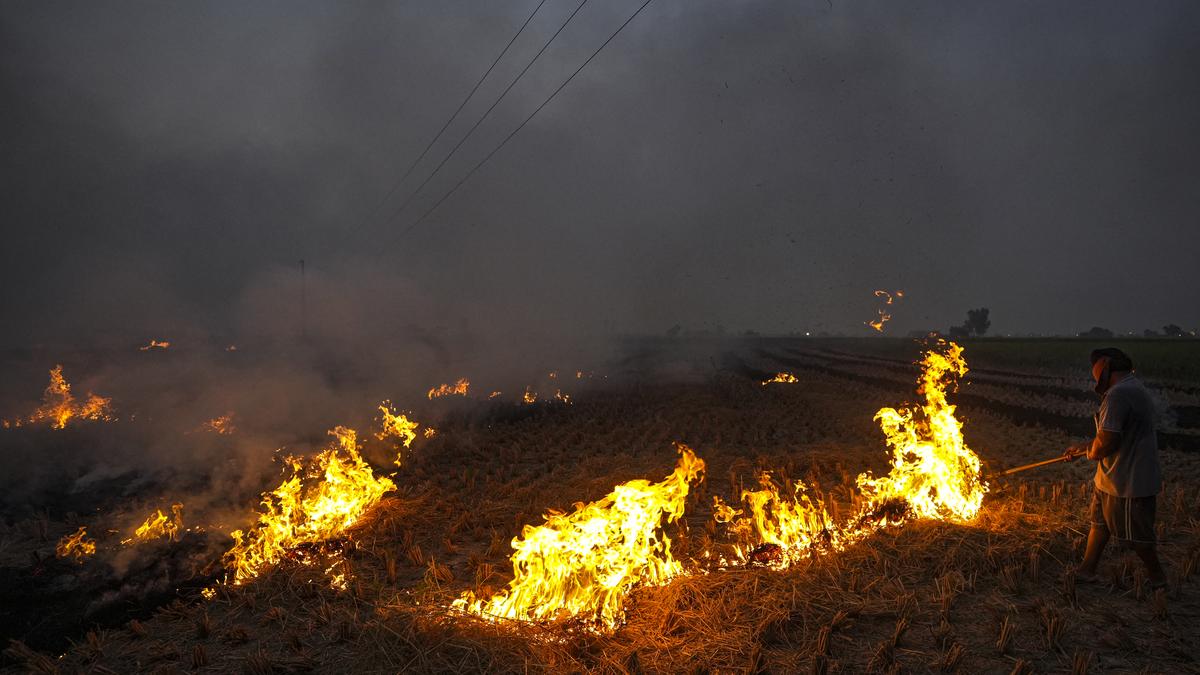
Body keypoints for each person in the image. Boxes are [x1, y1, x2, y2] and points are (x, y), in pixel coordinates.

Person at [1064, 347, 1164, 588]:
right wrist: (1082, 448)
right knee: (1099, 525)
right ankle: (1086, 570)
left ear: (1106, 367)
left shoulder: (1118, 395)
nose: (1096, 379)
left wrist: (1091, 451)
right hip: (1111, 477)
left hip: (1128, 480)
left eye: (1096, 373)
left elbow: (1108, 441)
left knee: (1139, 537)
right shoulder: (1131, 387)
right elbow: (1109, 436)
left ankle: (1158, 579)